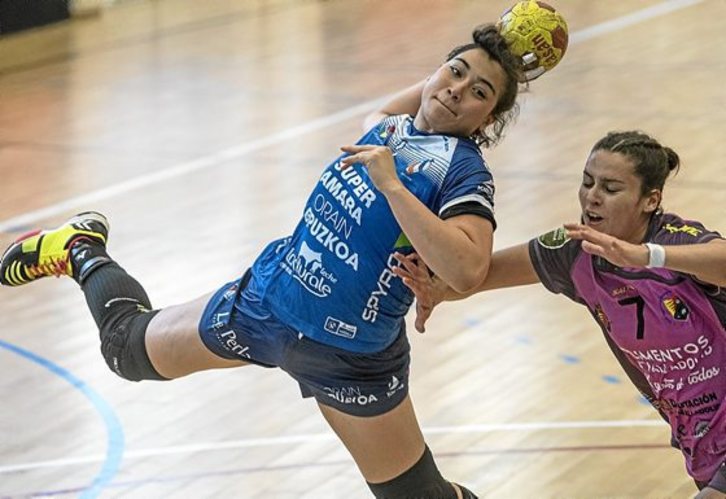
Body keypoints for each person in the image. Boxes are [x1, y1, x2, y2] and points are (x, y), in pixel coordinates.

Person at [0, 24, 526, 499]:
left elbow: (468, 268)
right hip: (266, 305)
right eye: (454, 71)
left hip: (351, 359)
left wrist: (392, 187)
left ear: (489, 120)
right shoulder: (388, 128)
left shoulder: (463, 172)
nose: (457, 90)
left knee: (417, 497)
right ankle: (80, 248)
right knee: (124, 350)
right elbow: (429, 95)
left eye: (479, 92)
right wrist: (499, 44)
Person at [390, 130, 726, 498]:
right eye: (587, 182)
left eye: (611, 188)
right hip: (701, 435)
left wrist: (646, 255)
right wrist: (436, 291)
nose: (592, 196)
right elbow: (474, 275)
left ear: (651, 200)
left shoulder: (675, 240)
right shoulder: (574, 251)